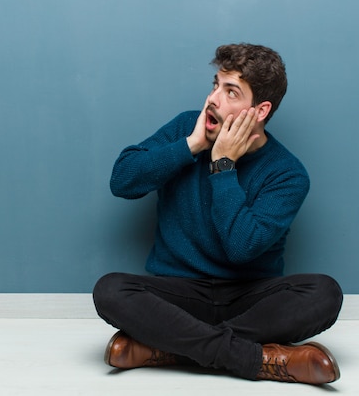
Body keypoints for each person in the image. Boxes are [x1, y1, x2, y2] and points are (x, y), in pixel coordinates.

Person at [93, 43, 343, 385]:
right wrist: (191, 146)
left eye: (231, 92)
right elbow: (122, 181)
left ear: (259, 110)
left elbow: (240, 248)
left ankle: (168, 347)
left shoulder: (287, 173)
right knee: (110, 290)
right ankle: (256, 358)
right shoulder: (187, 128)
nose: (213, 99)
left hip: (249, 298)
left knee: (325, 293)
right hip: (178, 295)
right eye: (215, 86)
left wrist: (223, 166)